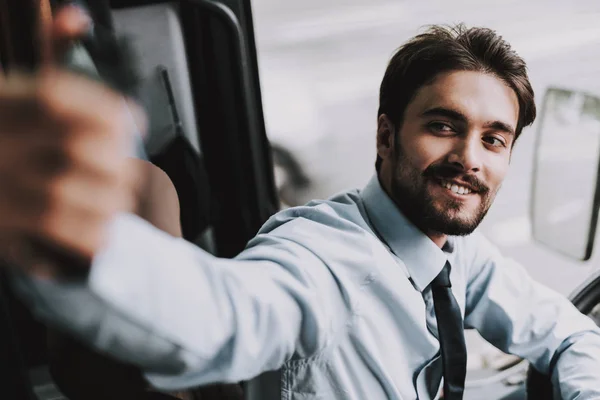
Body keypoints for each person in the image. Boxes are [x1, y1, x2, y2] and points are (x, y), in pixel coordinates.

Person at [2, 5, 600, 400]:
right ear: (386, 136)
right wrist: (87, 245)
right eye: (443, 126)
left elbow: (569, 335)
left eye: (494, 139)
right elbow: (222, 319)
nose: (470, 157)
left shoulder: (454, 253)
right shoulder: (320, 259)